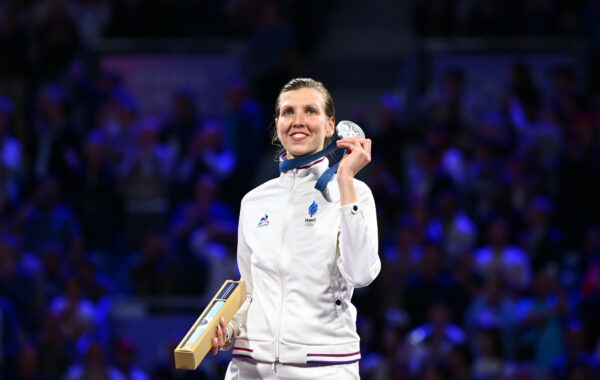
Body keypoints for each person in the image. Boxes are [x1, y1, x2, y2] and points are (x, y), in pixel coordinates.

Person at [210, 78, 380, 379]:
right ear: (277, 123)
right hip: (250, 367)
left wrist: (345, 182)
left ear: (331, 126)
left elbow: (361, 274)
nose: (297, 121)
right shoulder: (254, 201)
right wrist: (229, 328)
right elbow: (249, 289)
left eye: (310, 111)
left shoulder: (355, 193)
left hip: (324, 367)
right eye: (288, 112)